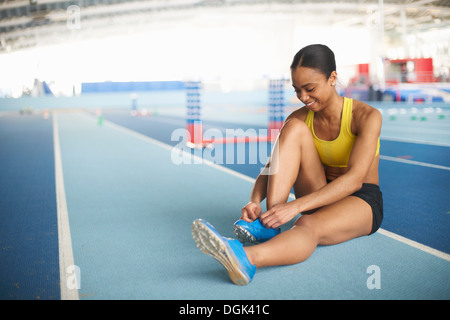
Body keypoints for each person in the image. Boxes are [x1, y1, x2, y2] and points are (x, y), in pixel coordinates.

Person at [192, 44, 383, 285]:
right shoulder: (300, 117)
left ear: (333, 78)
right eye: (297, 90)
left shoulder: (366, 116)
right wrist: (254, 200)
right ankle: (271, 223)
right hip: (320, 190)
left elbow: (355, 180)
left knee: (307, 224)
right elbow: (273, 165)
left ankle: (245, 258)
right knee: (292, 128)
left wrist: (295, 208)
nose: (303, 98)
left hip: (360, 199)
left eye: (310, 88)